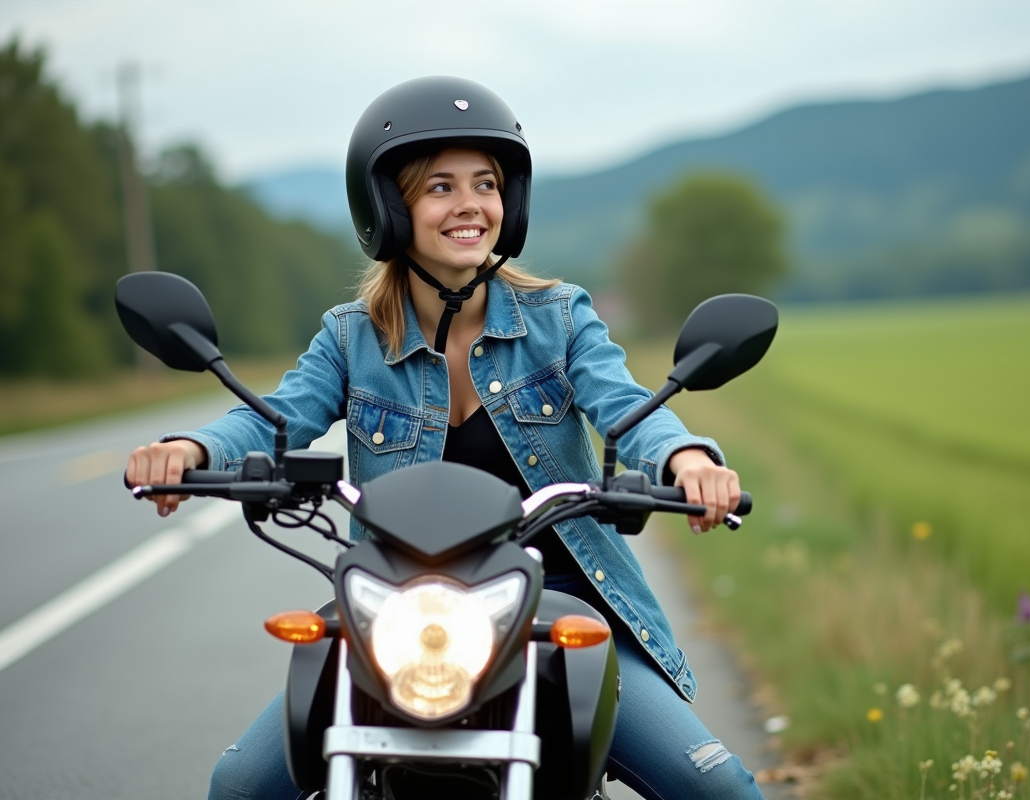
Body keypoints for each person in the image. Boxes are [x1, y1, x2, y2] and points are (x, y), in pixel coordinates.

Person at [125, 76, 765, 800]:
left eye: (487, 184)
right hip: (396, 610)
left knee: (722, 791)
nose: (470, 205)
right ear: (390, 209)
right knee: (240, 783)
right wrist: (193, 450)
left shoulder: (558, 319)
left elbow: (626, 406)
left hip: (554, 602)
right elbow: (273, 418)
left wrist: (686, 458)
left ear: (510, 202)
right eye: (440, 187)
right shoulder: (351, 337)